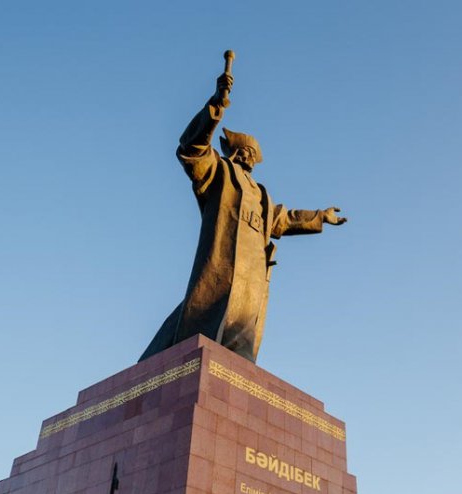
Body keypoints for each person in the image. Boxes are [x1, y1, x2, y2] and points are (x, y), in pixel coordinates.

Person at [140, 68, 347, 363]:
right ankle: (164, 362)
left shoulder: (261, 193)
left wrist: (320, 216)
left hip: (253, 268)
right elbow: (192, 149)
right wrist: (216, 105)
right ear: (237, 152)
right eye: (247, 150)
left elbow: (281, 220)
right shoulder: (220, 173)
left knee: (242, 322)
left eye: (253, 153)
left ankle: (229, 369)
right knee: (207, 312)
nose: (251, 156)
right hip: (224, 259)